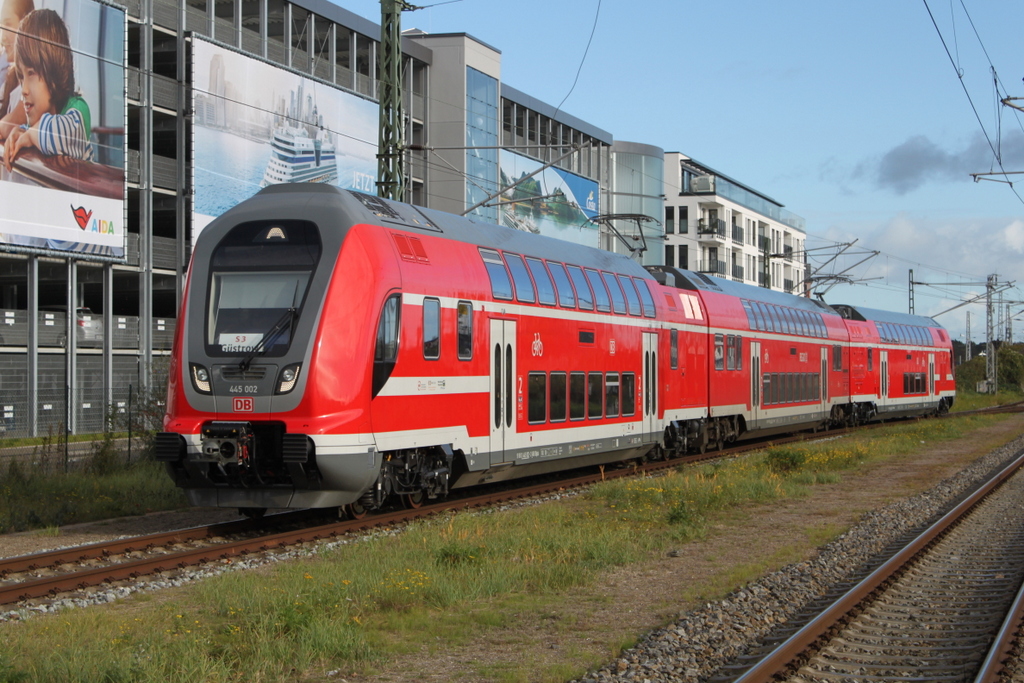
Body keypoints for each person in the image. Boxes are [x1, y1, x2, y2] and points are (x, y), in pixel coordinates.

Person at [2, 8, 93, 172]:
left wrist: (29, 135)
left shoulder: (78, 109)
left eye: (31, 73)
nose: (24, 90)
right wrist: (22, 132)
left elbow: (65, 133)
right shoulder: (38, 121)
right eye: (21, 77)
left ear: (54, 69)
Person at [0, 0, 34, 121]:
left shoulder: (36, 82)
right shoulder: (9, 81)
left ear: (25, 25)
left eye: (8, 24)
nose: (2, 37)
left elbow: (8, 126)